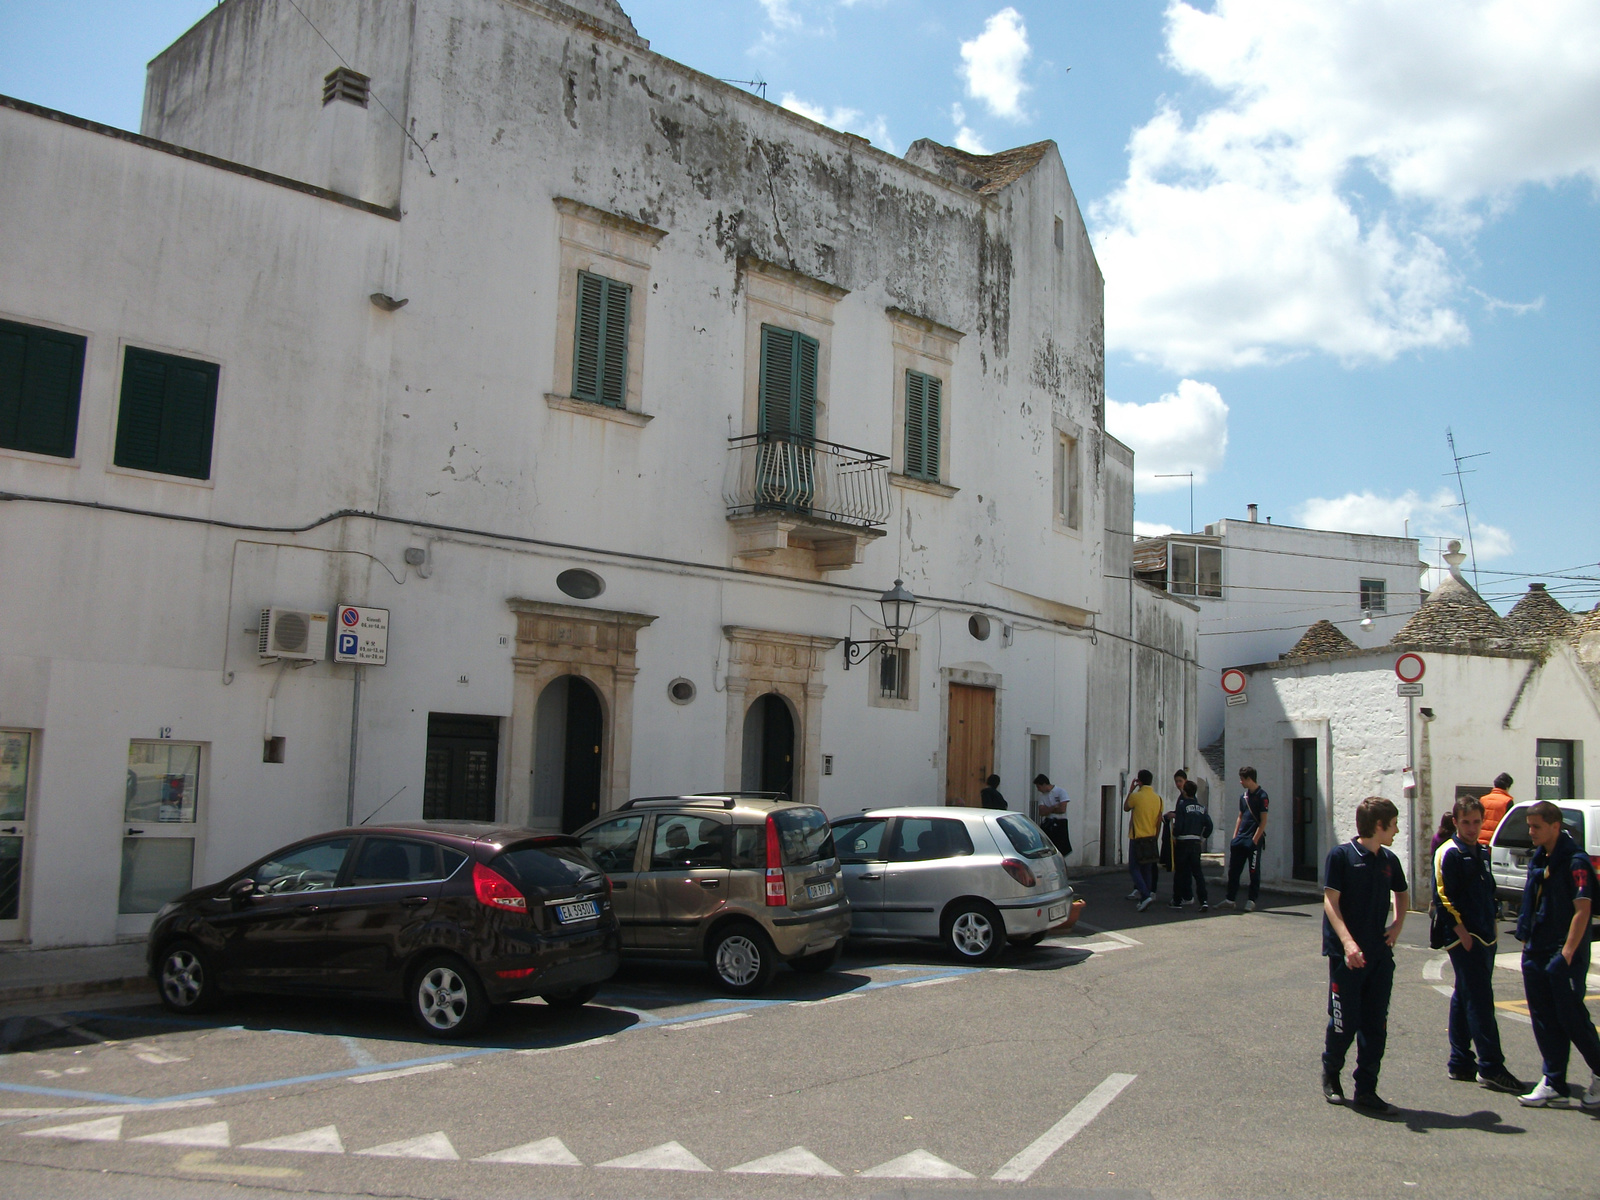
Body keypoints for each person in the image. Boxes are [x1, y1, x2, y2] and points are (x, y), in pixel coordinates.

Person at [1321, 796, 1408, 1114]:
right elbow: (1330, 901)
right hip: (1347, 956)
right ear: (1379, 826)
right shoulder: (1342, 856)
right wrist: (1347, 943)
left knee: (1376, 1024)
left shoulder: (1389, 860)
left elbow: (1401, 892)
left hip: (1378, 955)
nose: (1397, 830)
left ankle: (1367, 1089)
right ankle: (1331, 1074)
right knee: (1344, 1023)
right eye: (1394, 824)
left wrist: (1398, 925)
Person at [1432, 796, 1524, 1093]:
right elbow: (1443, 899)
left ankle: (1460, 1061)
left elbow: (1488, 891)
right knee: (1481, 1002)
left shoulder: (1482, 850)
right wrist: (1463, 934)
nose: (1472, 828)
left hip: (1486, 935)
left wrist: (1491, 928)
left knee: (1465, 996)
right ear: (1455, 822)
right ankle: (1491, 1067)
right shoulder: (1449, 852)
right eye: (1466, 822)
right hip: (1465, 939)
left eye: (1476, 822)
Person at [1514, 801, 1600, 1109]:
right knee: (1544, 1019)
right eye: (1530, 825)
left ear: (1555, 826)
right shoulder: (1541, 857)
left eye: (1536, 826)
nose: (1531, 831)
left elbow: (1583, 910)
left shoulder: (1575, 861)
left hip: (1563, 954)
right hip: (1536, 948)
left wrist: (1565, 955)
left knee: (1572, 1017)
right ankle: (1554, 1081)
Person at [1223, 766, 1269, 911]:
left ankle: (1251, 900)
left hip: (1253, 839)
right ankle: (1230, 899)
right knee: (1234, 870)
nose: (1240, 782)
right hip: (1240, 838)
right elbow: (1240, 816)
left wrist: (1255, 840)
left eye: (1242, 779)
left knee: (1253, 871)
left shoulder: (1262, 796)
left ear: (1249, 779)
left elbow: (1263, 820)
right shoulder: (1244, 797)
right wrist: (1234, 835)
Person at [1168, 780, 1213, 912]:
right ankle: (1203, 900)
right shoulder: (1202, 808)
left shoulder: (1182, 806)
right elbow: (1209, 826)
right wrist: (1202, 838)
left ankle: (1177, 900)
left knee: (1180, 873)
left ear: (1185, 792)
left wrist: (1175, 835)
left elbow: (1179, 825)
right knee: (1197, 873)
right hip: (1195, 842)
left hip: (1183, 842)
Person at [1124, 770, 1163, 913]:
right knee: (1147, 868)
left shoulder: (1136, 796)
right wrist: (1156, 836)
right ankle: (1146, 895)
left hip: (1137, 837)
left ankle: (1145, 895)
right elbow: (1159, 820)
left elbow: (1126, 807)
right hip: (1151, 837)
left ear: (1139, 782)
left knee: (1134, 868)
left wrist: (1130, 790)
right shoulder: (1157, 798)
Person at [1034, 775, 1072, 857]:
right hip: (1049, 822)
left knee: (1061, 847)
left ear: (1044, 784)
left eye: (1039, 787)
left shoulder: (1060, 792)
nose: (1038, 789)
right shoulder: (1042, 797)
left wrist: (1048, 809)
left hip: (1060, 822)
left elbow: (1062, 809)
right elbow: (1041, 812)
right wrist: (1054, 807)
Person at [1478, 773, 1514, 846]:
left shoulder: (1483, 799)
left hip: (1479, 839)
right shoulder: (1508, 801)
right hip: (1496, 841)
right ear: (1507, 786)